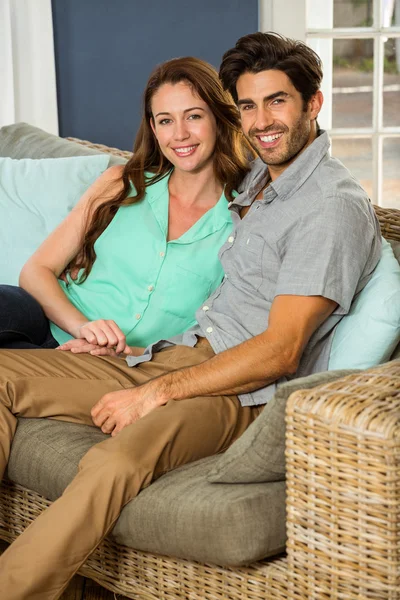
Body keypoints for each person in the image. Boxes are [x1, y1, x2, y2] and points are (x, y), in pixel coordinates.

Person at [0, 32, 381, 599]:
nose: (262, 121)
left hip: (235, 391)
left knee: (113, 462)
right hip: (165, 357)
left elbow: (280, 350)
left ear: (314, 103)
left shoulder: (328, 207)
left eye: (277, 101)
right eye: (248, 106)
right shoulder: (262, 183)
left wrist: (157, 394)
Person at [0, 57, 250, 353]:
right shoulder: (120, 183)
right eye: (166, 120)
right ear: (154, 130)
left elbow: (217, 336)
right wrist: (83, 328)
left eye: (194, 116)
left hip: (113, 364)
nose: (180, 134)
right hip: (49, 323)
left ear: (219, 120)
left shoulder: (243, 220)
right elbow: (36, 271)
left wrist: (128, 354)